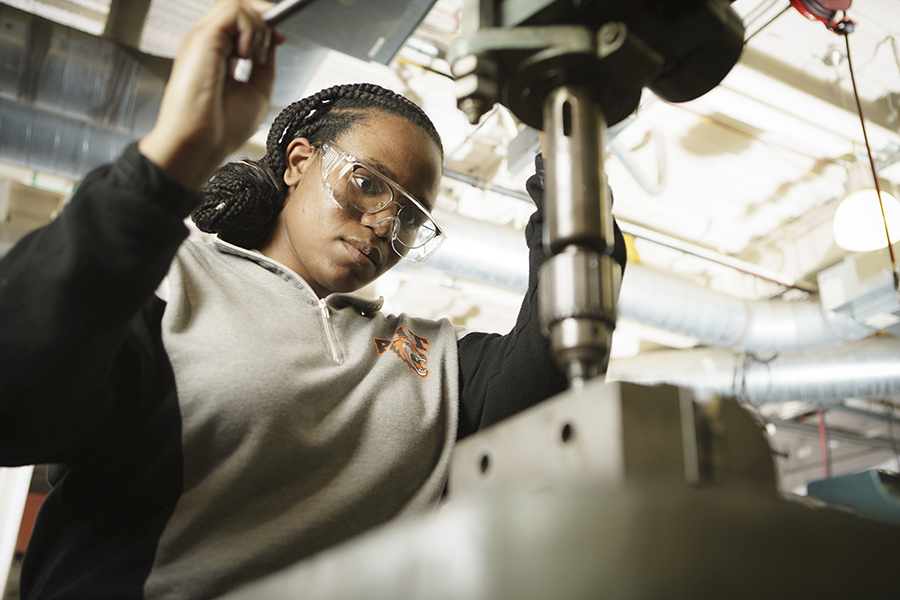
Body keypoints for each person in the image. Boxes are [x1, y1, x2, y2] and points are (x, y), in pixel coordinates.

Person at [0, 0, 626, 598]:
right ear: (299, 162)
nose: (384, 224)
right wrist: (175, 156)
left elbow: (560, 338)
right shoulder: (170, 279)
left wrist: (561, 134)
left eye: (410, 217)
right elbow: (16, 397)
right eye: (366, 183)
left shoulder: (441, 362)